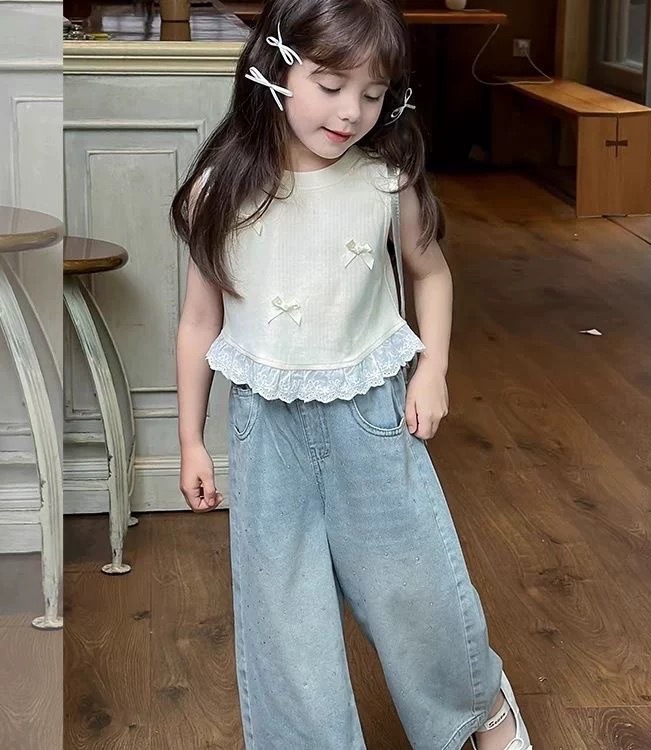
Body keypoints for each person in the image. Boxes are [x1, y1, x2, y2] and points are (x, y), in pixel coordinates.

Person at [172, 0, 532, 748]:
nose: (350, 113)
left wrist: (432, 369)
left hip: (371, 414)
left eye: (372, 95)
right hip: (265, 428)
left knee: (416, 583)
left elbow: (431, 273)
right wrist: (191, 442)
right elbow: (199, 322)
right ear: (275, 67)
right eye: (331, 85)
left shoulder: (385, 181)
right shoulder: (219, 190)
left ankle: (480, 711)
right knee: (284, 617)